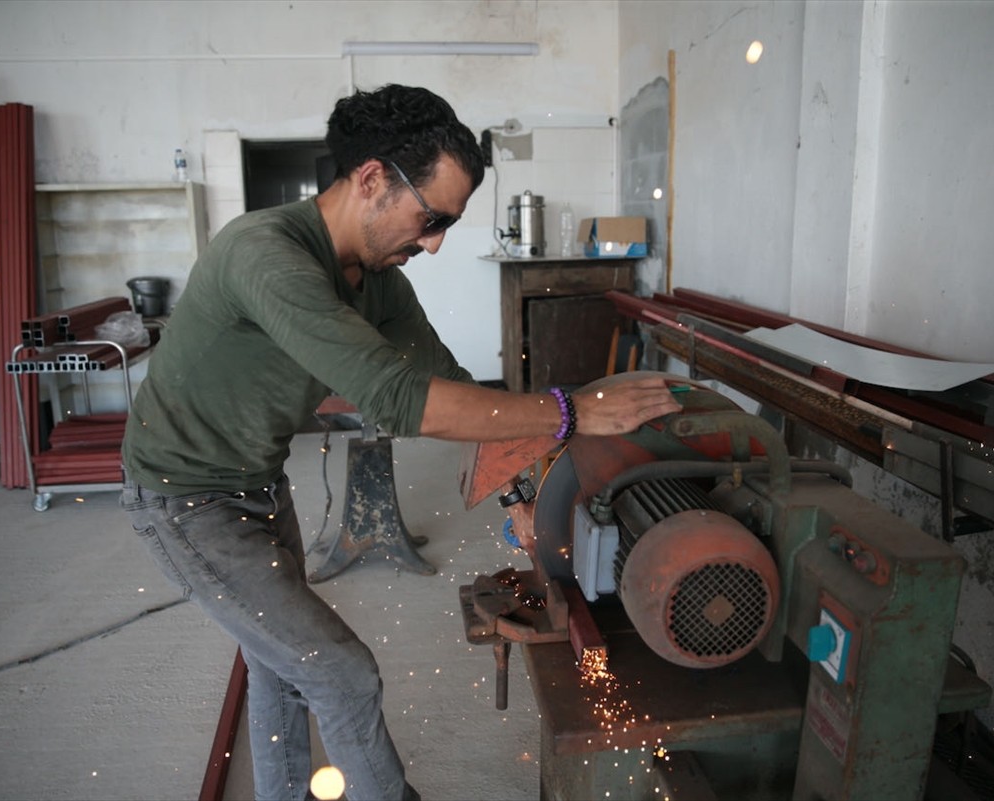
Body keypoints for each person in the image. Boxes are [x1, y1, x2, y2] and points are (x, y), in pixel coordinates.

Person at [120, 84, 680, 801]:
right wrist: (572, 411)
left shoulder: (375, 278)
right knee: (338, 669)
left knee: (278, 663)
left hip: (256, 480)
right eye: (432, 217)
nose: (437, 241)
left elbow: (445, 380)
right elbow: (402, 399)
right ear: (372, 178)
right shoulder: (266, 255)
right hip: (181, 498)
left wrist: (523, 491)